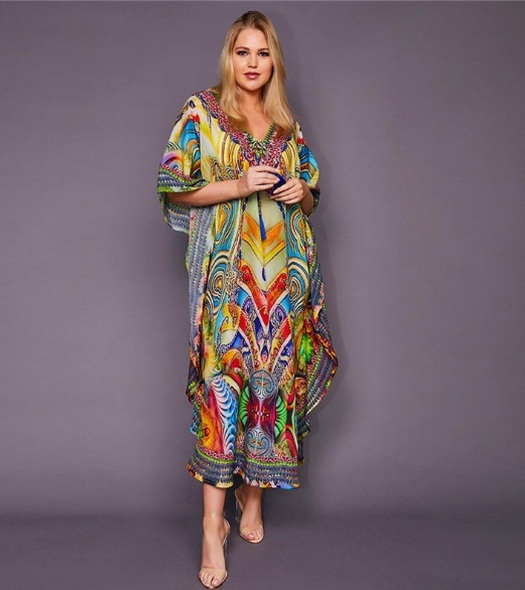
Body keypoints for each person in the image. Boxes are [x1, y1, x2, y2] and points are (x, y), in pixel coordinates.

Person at [157, 10, 338, 588]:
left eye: (262, 53)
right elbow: (173, 187)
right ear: (229, 57)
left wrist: (300, 190)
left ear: (274, 61)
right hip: (227, 285)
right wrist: (237, 185)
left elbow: (311, 198)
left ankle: (252, 498)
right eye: (243, 52)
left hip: (282, 285)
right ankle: (212, 526)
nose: (253, 63)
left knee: (272, 385)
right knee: (224, 391)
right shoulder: (202, 112)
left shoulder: (286, 124)